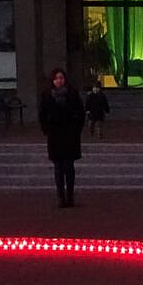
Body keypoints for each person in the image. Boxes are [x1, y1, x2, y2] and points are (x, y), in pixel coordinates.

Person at [38, 67, 85, 208]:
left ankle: (70, 196)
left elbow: (80, 113)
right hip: (55, 135)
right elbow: (42, 115)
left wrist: (77, 130)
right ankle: (60, 197)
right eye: (57, 78)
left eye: (62, 78)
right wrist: (47, 130)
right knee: (58, 168)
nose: (59, 80)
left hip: (70, 135)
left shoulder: (72, 94)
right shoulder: (46, 96)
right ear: (53, 80)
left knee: (69, 167)